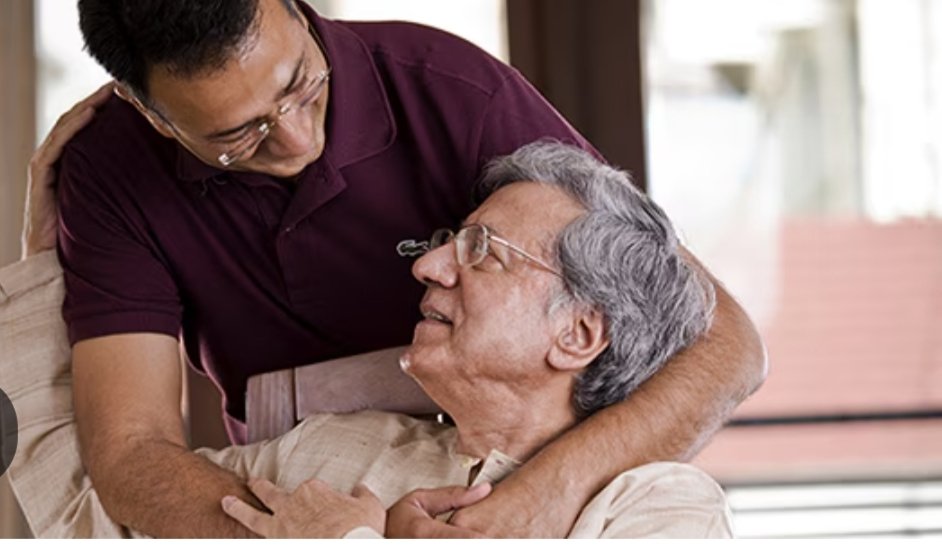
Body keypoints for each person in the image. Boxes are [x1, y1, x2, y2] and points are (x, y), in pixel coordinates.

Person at [37, 0, 765, 538]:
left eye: (302, 86)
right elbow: (124, 461)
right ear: (151, 114)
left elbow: (719, 339)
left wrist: (549, 493)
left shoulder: (452, 93)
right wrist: (307, 536)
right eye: (240, 136)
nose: (297, 138)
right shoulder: (112, 170)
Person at [206, 141, 729, 538]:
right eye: (449, 242)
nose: (428, 267)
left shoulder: (658, 506)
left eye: (483, 251)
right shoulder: (323, 448)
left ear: (577, 334)